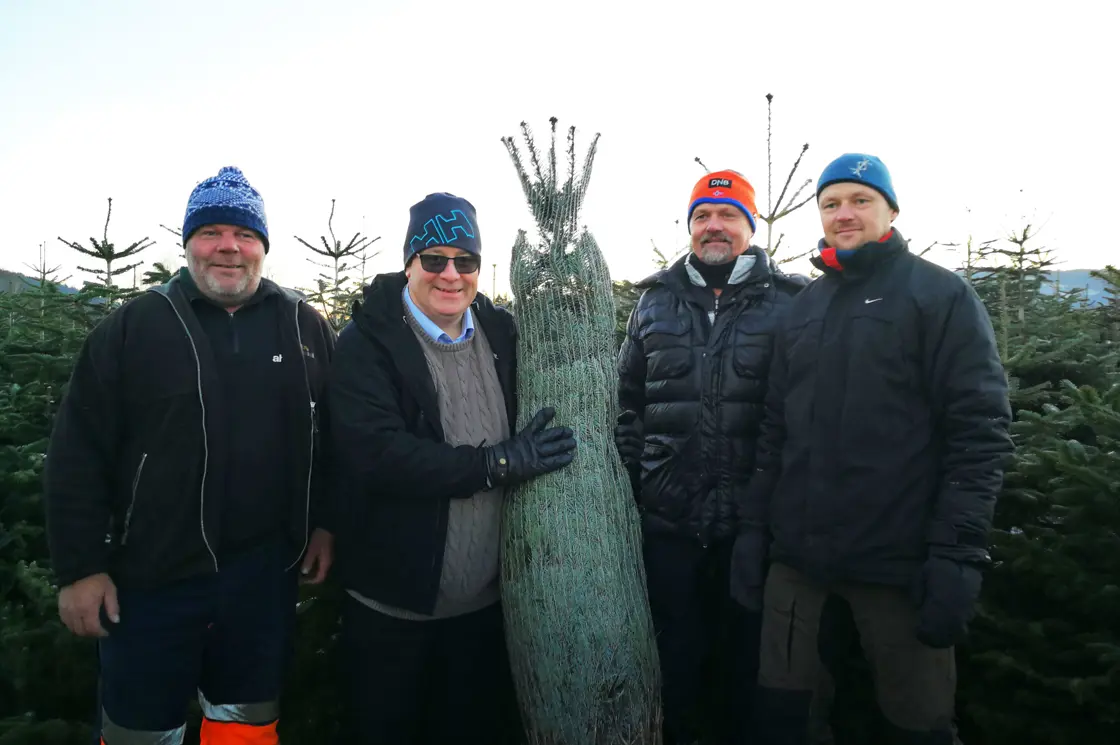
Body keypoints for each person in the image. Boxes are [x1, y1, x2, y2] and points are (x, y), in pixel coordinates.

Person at [43, 166, 337, 744]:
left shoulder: (304, 325)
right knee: (140, 730)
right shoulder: (132, 328)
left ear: (262, 246)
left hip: (261, 578)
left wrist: (324, 523)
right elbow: (78, 453)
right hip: (149, 582)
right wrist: (80, 568)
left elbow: (331, 438)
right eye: (212, 232)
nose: (229, 246)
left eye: (244, 234)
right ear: (188, 244)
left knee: (246, 727)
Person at [733, 153, 1013, 744]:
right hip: (798, 561)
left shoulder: (938, 297)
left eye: (860, 200)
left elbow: (979, 432)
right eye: (831, 204)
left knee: (917, 722)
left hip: (898, 563)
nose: (845, 214)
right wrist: (756, 532)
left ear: (891, 209)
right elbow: (774, 432)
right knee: (783, 715)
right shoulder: (804, 308)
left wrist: (957, 557)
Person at [327, 192, 578, 745]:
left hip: (485, 609)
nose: (450, 274)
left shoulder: (501, 334)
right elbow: (379, 454)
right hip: (393, 610)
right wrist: (498, 463)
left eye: (465, 261)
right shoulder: (366, 345)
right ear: (408, 263)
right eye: (433, 259)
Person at [614, 170, 807, 744]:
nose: (714, 227)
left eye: (728, 216)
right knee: (676, 667)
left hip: (753, 533)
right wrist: (636, 458)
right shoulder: (653, 303)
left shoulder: (791, 304)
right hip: (668, 527)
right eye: (702, 216)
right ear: (689, 227)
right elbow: (627, 398)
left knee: (745, 673)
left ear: (749, 226)